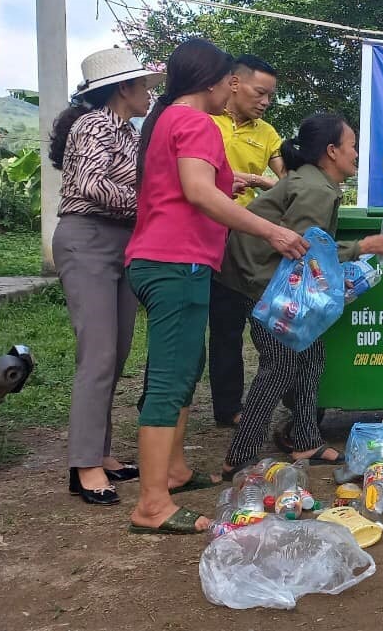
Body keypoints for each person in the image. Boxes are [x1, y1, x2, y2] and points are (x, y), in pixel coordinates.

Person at [125, 38, 308, 535]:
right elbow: (197, 192)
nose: (234, 89)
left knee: (185, 368)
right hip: (175, 261)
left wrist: (227, 187)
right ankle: (152, 504)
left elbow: (185, 189)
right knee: (169, 379)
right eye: (230, 80)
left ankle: (176, 472)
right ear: (214, 81)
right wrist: (270, 229)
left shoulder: (167, 119)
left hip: (165, 258)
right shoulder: (196, 121)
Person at [218, 114, 383, 477]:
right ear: (331, 151)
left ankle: (304, 440)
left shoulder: (317, 183)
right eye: (352, 146)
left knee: (312, 353)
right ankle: (238, 458)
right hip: (261, 283)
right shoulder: (314, 189)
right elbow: (304, 255)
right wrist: (363, 246)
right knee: (281, 366)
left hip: (269, 279)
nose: (356, 154)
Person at [49, 48, 164, 505]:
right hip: (88, 239)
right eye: (143, 88)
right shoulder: (95, 124)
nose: (148, 97)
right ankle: (84, 466)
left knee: (114, 355)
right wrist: (153, 206)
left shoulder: (128, 134)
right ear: (123, 89)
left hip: (119, 241)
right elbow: (92, 186)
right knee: (97, 355)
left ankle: (100, 451)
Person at [208, 55, 285, 428]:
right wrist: (251, 179)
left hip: (243, 237)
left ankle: (232, 407)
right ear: (234, 84)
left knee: (240, 322)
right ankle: (171, 404)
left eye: (270, 96)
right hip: (201, 229)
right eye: (260, 92)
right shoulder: (205, 120)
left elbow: (286, 178)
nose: (265, 101)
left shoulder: (267, 133)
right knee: (207, 326)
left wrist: (267, 182)